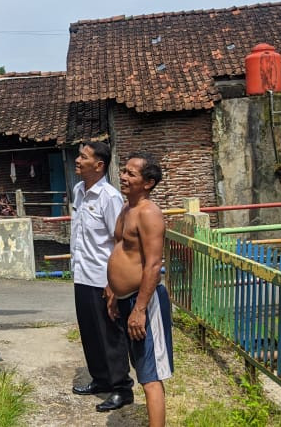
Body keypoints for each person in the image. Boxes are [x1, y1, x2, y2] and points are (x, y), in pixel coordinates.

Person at [106, 152, 173, 427]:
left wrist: (140, 309)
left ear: (148, 183)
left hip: (143, 301)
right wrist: (112, 290)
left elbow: (153, 264)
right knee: (140, 367)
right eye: (124, 171)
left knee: (150, 376)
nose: (123, 176)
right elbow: (121, 251)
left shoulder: (148, 213)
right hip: (124, 298)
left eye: (131, 174)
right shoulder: (126, 209)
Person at [69, 142, 134, 412]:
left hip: (103, 278)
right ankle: (101, 379)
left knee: (110, 334)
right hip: (82, 274)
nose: (77, 160)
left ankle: (121, 388)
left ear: (99, 165)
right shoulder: (78, 191)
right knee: (90, 332)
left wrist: (112, 283)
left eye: (83, 157)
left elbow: (119, 242)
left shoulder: (110, 197)